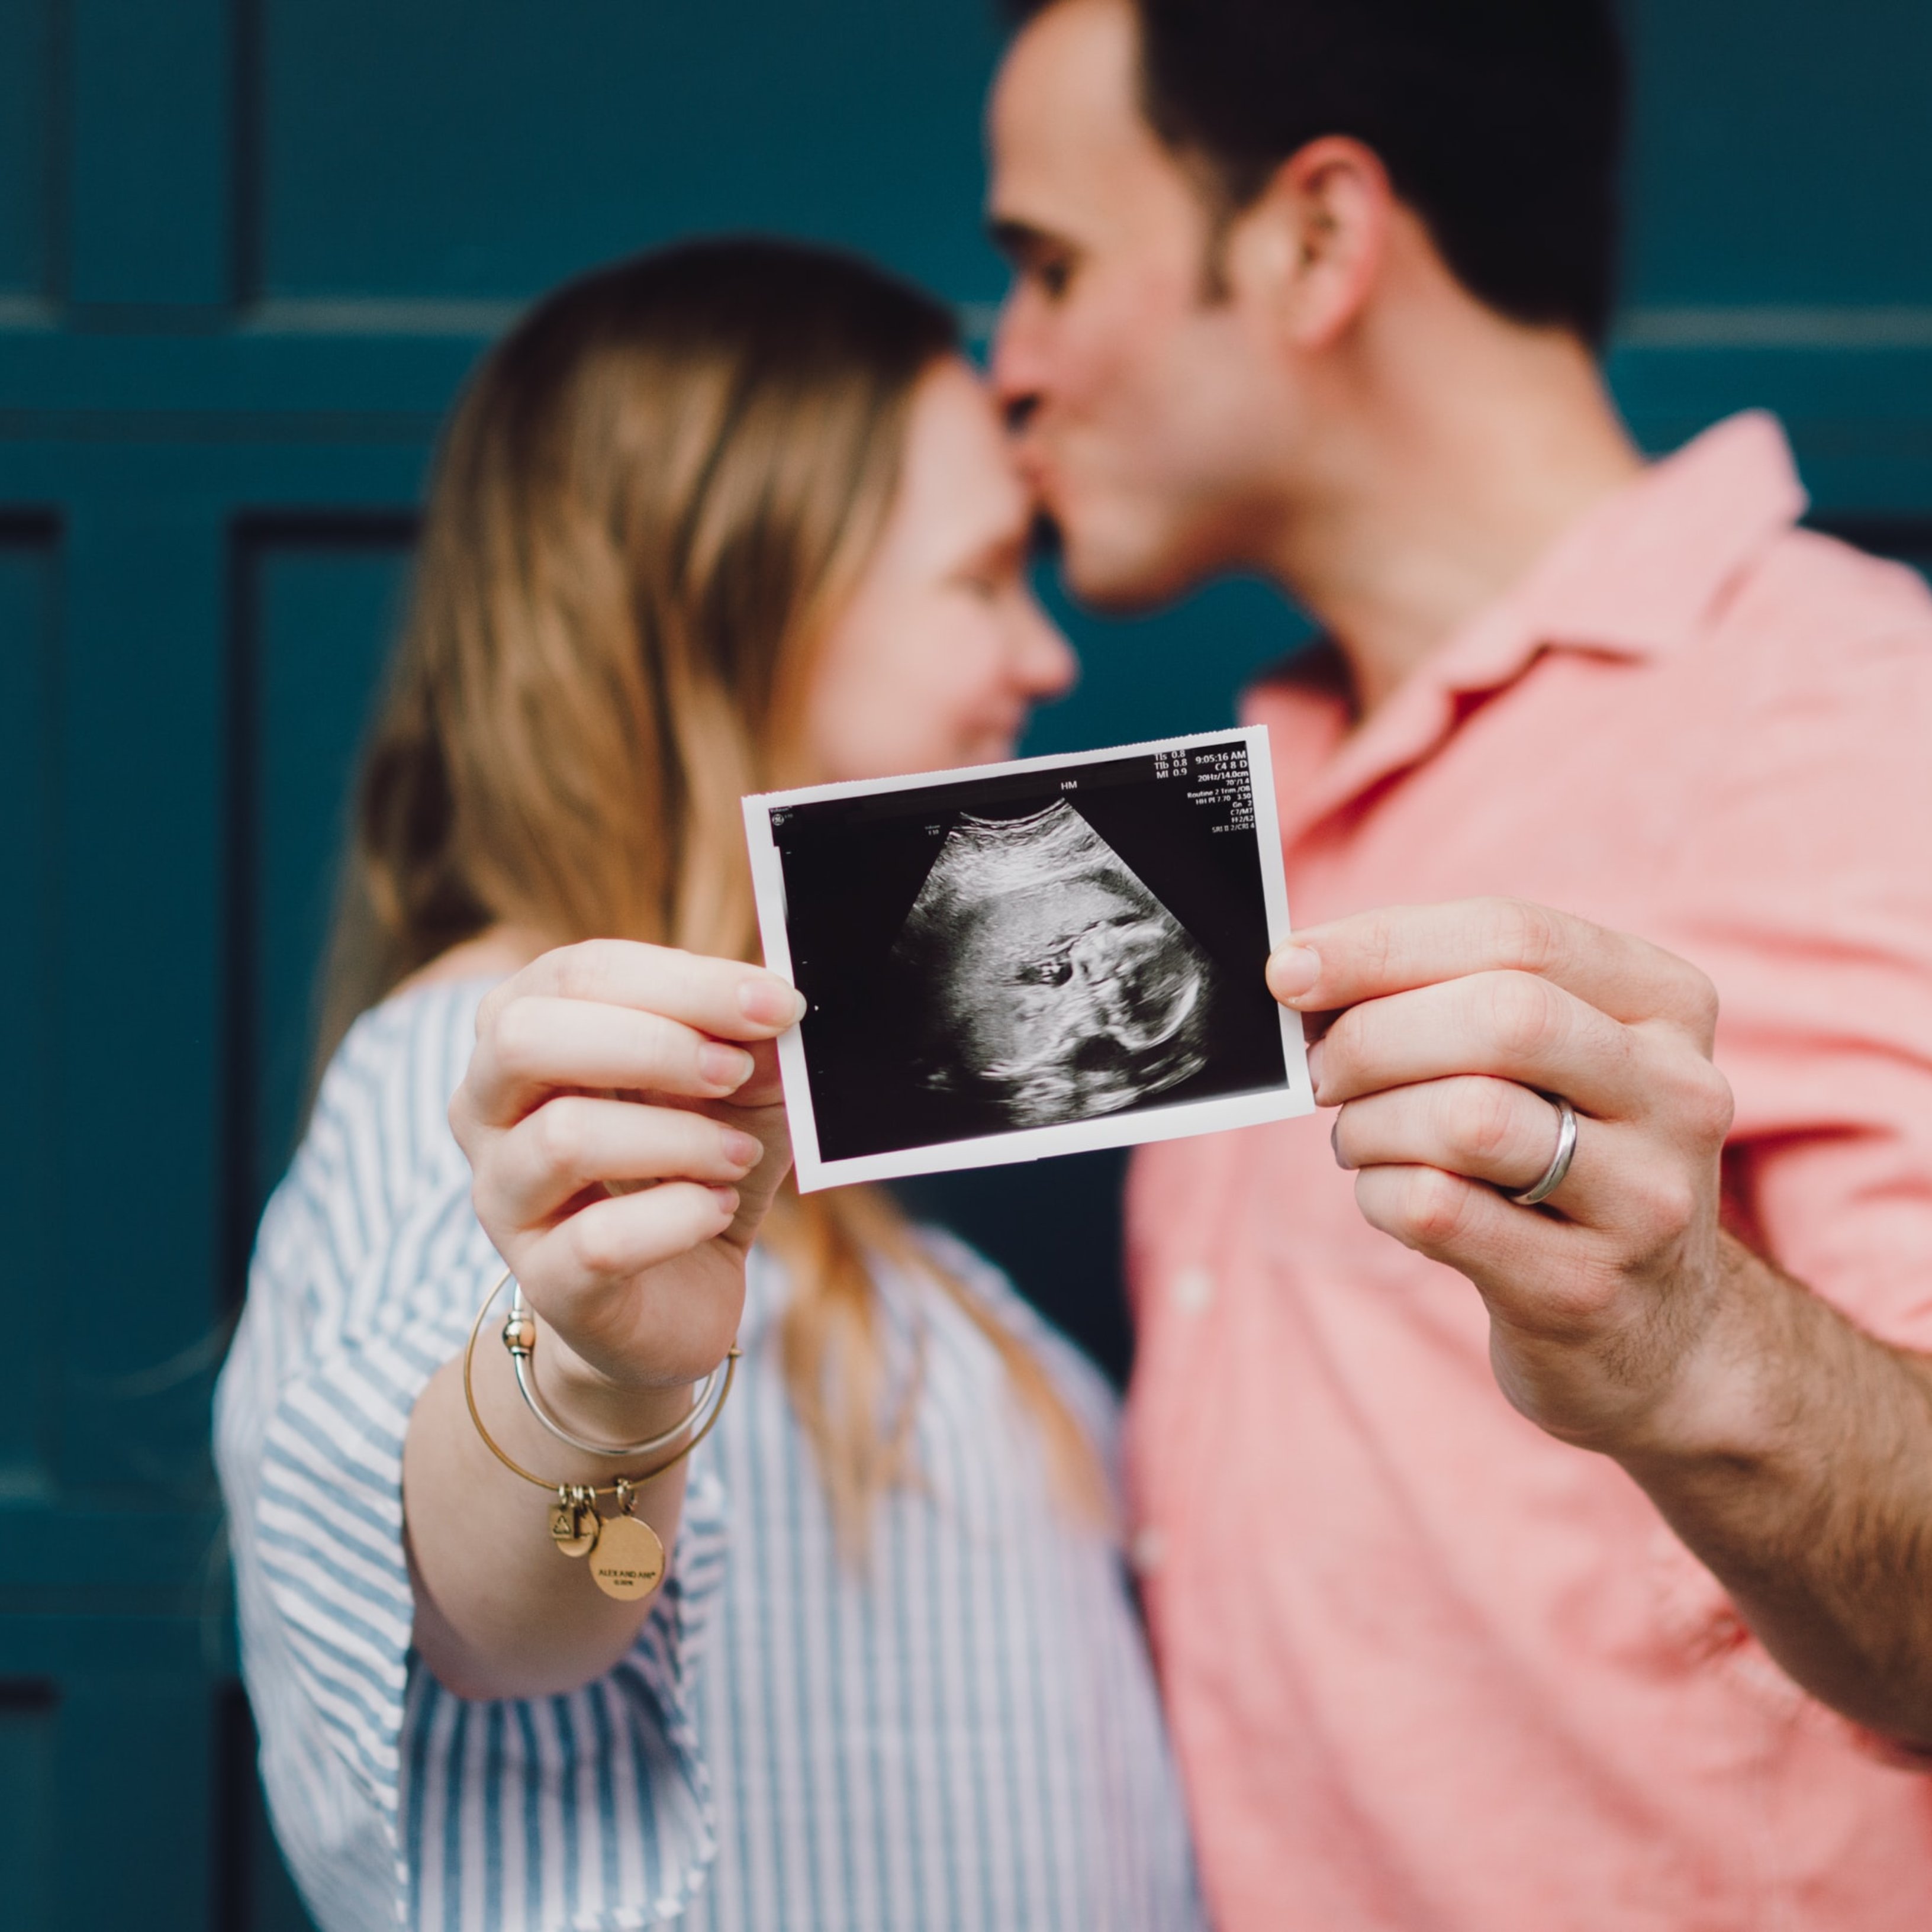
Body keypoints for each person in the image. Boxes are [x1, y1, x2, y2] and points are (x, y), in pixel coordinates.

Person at [985, 0, 1932, 1927]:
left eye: (1051, 267)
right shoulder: (1244, 806)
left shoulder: (1848, 723)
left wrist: (1682, 1341)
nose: (1009, 368)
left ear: (1319, 240)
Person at [214, 238, 1205, 1932]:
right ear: (729, 606)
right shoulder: (490, 1099)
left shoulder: (814, 1183)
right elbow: (494, 1615)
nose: (1044, 660)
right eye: (978, 579)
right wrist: (598, 1379)